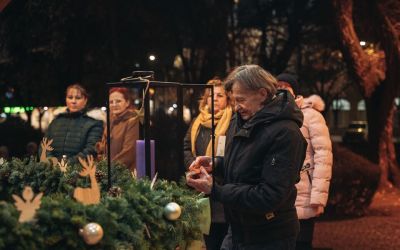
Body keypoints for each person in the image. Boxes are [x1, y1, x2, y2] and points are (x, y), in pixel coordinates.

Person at [186, 65, 307, 250]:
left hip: (270, 236)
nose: (236, 107)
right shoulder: (241, 119)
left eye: (240, 100)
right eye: (234, 100)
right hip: (238, 230)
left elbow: (270, 195)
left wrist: (215, 190)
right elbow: (246, 163)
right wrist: (216, 164)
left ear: (262, 94)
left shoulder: (286, 133)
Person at [276, 73, 333, 250]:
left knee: (301, 243)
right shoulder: (271, 114)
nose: (282, 90)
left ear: (296, 91)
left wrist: (318, 197)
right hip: (277, 193)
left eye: (286, 86)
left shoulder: (311, 116)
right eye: (278, 86)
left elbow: (323, 157)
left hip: (304, 193)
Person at [184, 78, 232, 250]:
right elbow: (187, 147)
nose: (215, 99)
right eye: (210, 95)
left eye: (219, 95)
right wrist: (194, 165)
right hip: (201, 185)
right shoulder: (198, 122)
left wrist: (216, 165)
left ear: (227, 98)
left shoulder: (232, 120)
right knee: (208, 235)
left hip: (223, 183)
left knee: (224, 233)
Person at [42, 83, 103, 164]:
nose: (73, 101)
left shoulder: (94, 124)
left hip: (78, 172)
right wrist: (51, 163)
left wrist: (67, 164)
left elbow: (90, 150)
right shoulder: (55, 122)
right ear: (66, 100)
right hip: (52, 171)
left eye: (78, 98)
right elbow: (44, 145)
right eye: (70, 97)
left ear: (85, 100)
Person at [97, 87, 139, 172]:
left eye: (118, 101)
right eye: (111, 102)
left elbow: (129, 152)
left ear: (127, 103)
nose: (114, 104)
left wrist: (109, 169)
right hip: (108, 173)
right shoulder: (110, 120)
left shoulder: (133, 121)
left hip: (124, 174)